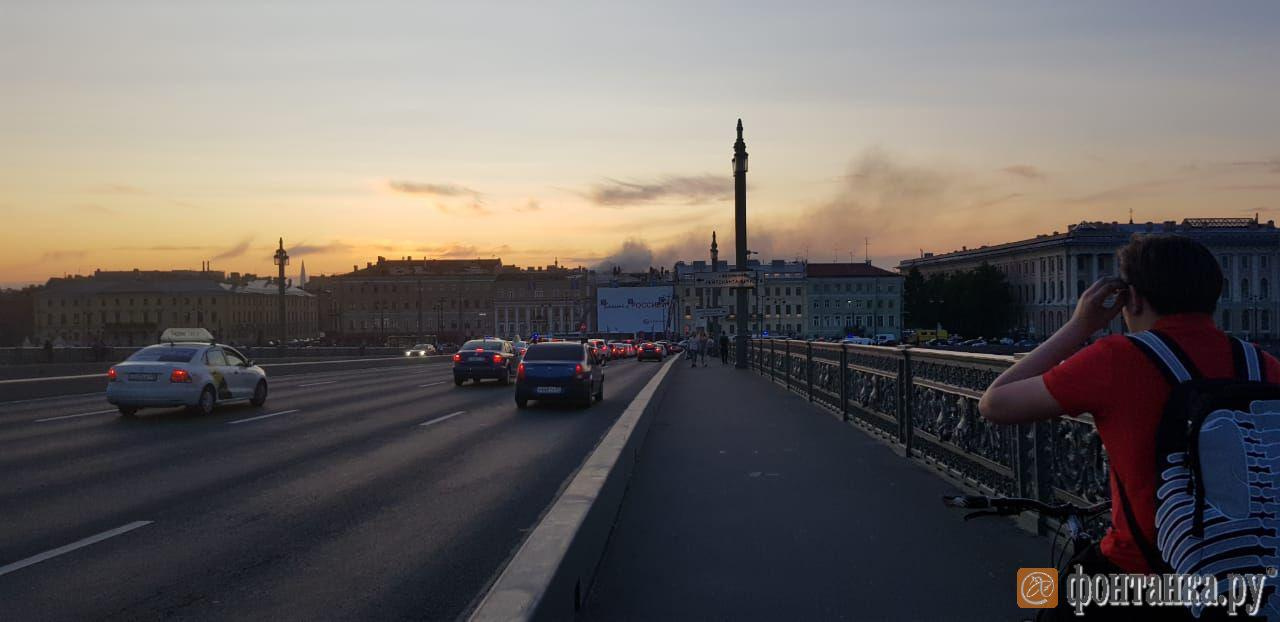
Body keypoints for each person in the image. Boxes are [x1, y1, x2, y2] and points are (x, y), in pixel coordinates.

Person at [979, 234, 1280, 620]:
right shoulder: (1263, 365)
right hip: (1249, 578)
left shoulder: (1117, 359)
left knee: (1044, 599)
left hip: (1140, 573)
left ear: (1132, 299)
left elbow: (995, 403)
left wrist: (1079, 325)